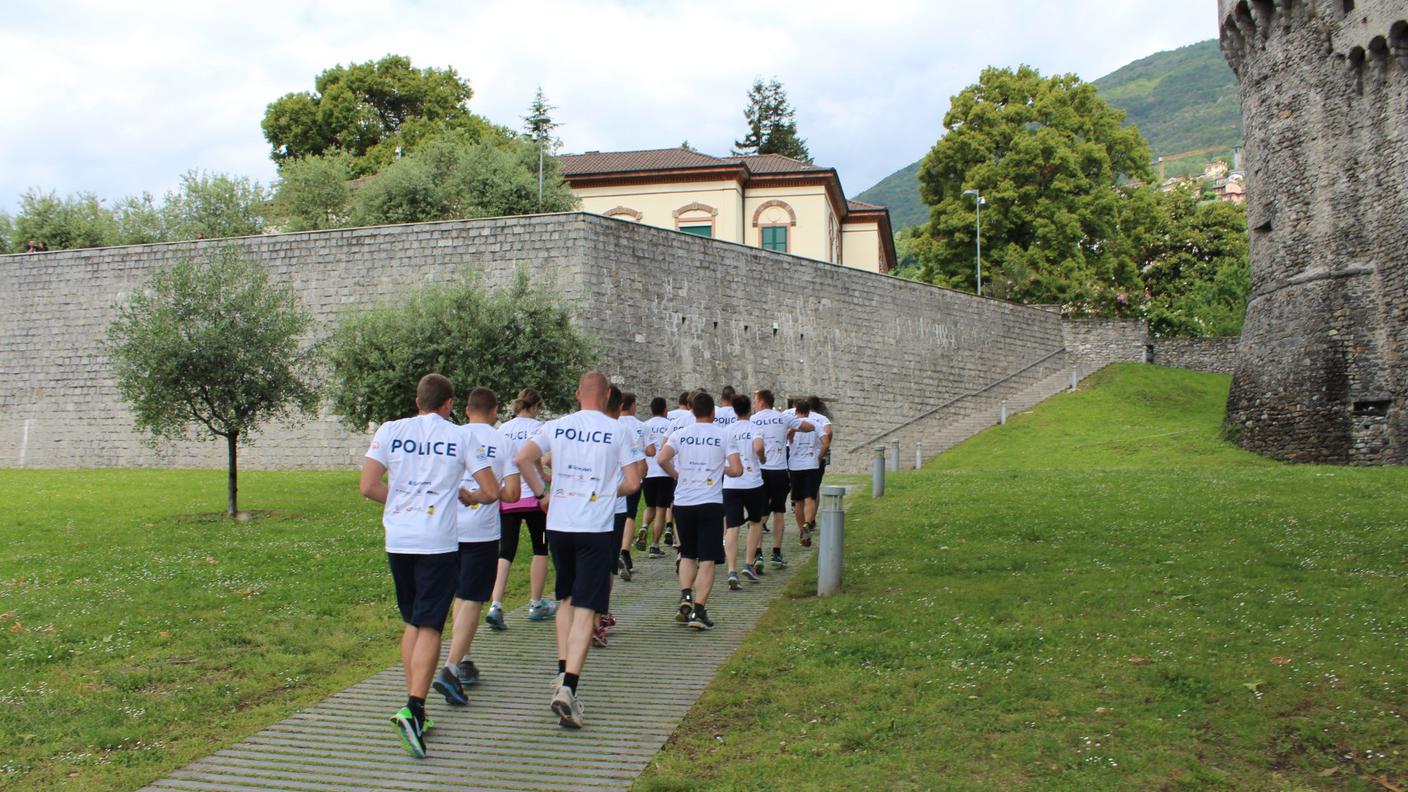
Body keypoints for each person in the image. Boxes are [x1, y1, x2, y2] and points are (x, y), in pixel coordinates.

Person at [359, 373, 499, 758]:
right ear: (449, 404)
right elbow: (490, 491)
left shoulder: (390, 429)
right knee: (431, 625)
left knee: (412, 622)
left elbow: (369, 486)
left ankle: (413, 703)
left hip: (399, 539)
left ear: (417, 399)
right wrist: (467, 495)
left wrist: (403, 502)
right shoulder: (460, 436)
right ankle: (415, 708)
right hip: (437, 542)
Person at [515, 371, 642, 729]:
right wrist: (605, 490)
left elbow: (524, 458)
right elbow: (633, 483)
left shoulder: (556, 426)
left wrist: (542, 494)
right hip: (596, 527)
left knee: (566, 599)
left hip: (559, 525)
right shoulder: (619, 430)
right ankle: (569, 687)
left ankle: (560, 671)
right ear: (605, 398)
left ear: (577, 395)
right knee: (587, 607)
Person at [433, 388, 520, 707]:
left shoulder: (452, 435)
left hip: (444, 530)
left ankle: (465, 657)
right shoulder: (504, 442)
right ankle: (451, 668)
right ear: (495, 411)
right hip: (481, 533)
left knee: (459, 595)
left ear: (466, 410)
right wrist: (487, 492)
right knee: (471, 599)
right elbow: (511, 494)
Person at [657, 391, 743, 630]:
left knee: (687, 553)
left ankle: (685, 596)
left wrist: (677, 474)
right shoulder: (724, 435)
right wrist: (720, 469)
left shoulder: (680, 434)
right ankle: (699, 611)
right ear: (713, 413)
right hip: (710, 503)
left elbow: (661, 458)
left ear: (692, 411)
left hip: (683, 502)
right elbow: (737, 470)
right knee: (707, 559)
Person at [489, 389, 554, 628]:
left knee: (505, 551)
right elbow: (540, 461)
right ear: (536, 406)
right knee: (540, 548)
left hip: (509, 495)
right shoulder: (540, 428)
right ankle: (536, 603)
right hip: (535, 498)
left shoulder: (502, 429)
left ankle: (496, 604)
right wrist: (546, 478)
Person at [750, 389, 811, 571]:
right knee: (779, 512)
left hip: (759, 471)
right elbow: (807, 427)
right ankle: (776, 553)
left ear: (761, 402)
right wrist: (793, 428)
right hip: (778, 471)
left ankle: (758, 554)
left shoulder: (752, 420)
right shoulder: (783, 417)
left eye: (755, 401)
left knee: (759, 514)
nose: (754, 404)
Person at [723, 394, 767, 588]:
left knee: (732, 527)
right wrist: (762, 457)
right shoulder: (754, 427)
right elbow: (758, 446)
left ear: (734, 410)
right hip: (752, 483)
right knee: (756, 522)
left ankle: (731, 569)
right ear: (749, 409)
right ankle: (748, 564)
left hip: (731, 484)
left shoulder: (726, 430)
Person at [616, 391, 648, 579]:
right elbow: (643, 458)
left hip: (609, 483)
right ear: (632, 405)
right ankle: (624, 550)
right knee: (629, 515)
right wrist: (640, 478)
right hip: (631, 479)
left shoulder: (610, 425)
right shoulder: (638, 426)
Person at [640, 397, 675, 558]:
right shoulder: (671, 425)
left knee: (649, 507)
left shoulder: (644, 425)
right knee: (661, 510)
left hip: (649, 472)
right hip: (665, 472)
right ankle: (654, 545)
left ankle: (645, 526)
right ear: (665, 409)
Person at [787, 399, 824, 549]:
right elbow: (826, 441)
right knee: (810, 497)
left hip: (795, 465)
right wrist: (820, 456)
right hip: (811, 463)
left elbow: (787, 440)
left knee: (798, 501)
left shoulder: (792, 425)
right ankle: (809, 523)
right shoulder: (816, 424)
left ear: (796, 411)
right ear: (809, 411)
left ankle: (802, 530)